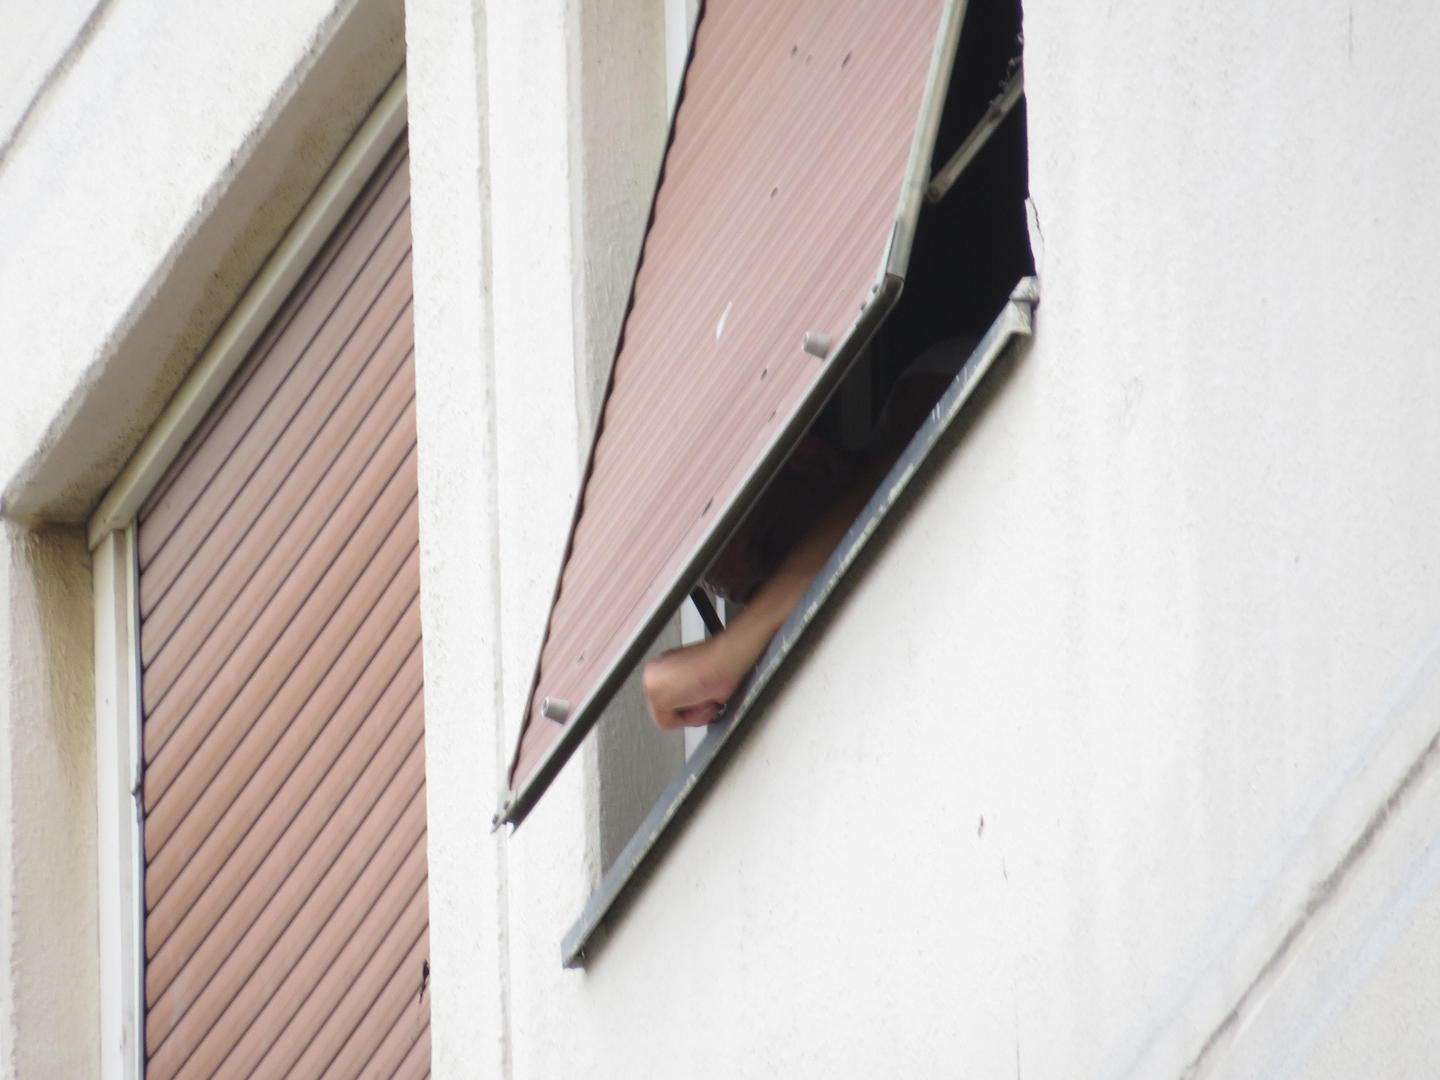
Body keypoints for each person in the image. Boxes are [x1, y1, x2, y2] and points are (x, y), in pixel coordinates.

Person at [643, 335, 975, 730]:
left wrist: (722, 657)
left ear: (812, 462)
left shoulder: (925, 384)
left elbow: (902, 472)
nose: (779, 590)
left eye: (772, 547)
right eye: (757, 596)